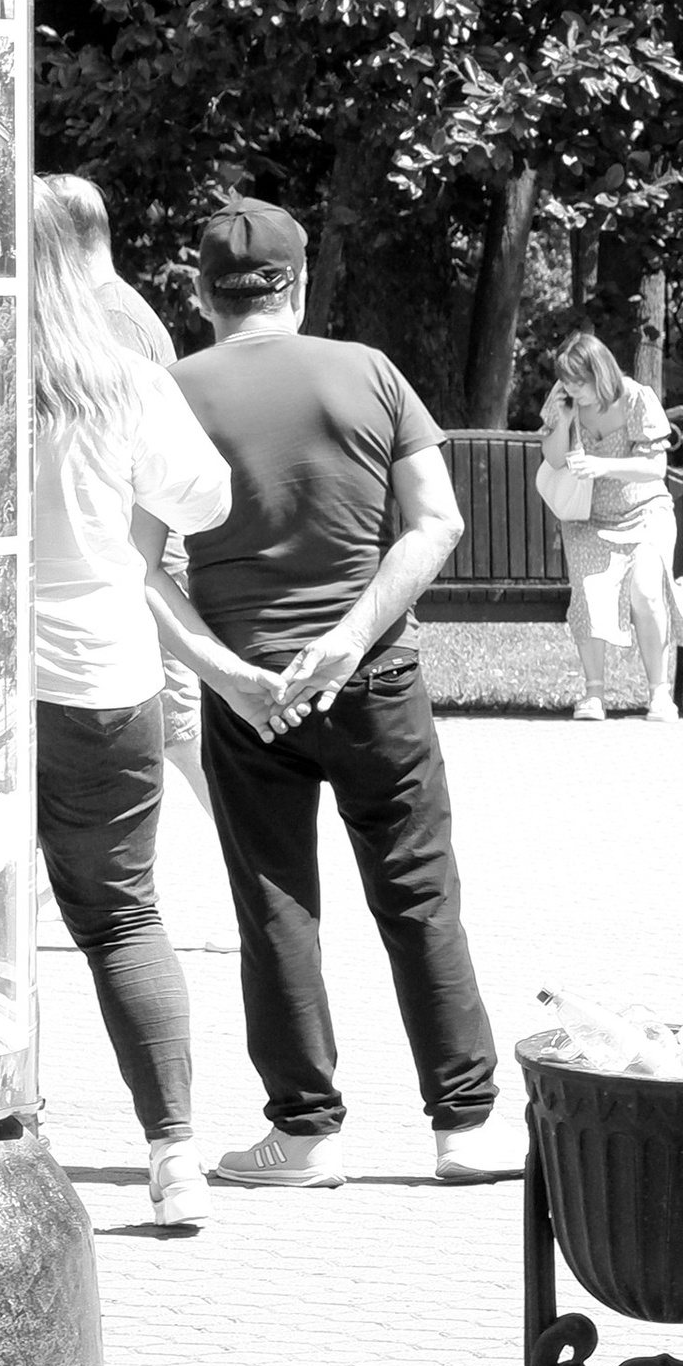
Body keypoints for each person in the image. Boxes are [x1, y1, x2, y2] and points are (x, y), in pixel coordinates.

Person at [174, 197, 509, 1190]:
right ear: (300, 282)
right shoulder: (369, 373)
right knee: (418, 895)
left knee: (275, 905)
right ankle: (466, 1128)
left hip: (247, 697)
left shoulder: (167, 392)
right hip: (373, 684)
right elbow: (435, 523)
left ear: (201, 294)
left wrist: (227, 672)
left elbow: (135, 560)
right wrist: (348, 640)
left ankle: (304, 1132)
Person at [31, 176, 282, 1232]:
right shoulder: (125, 375)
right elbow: (206, 498)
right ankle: (172, 1153)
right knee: (123, 914)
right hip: (100, 671)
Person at [39, 170, 213, 815]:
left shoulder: (102, 319)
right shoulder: (115, 309)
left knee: (182, 726)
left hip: (136, 561)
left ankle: (264, 875)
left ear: (64, 234)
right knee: (176, 728)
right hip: (138, 555)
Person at [539, 328, 683, 721]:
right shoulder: (563, 401)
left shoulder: (637, 397)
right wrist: (564, 420)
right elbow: (554, 460)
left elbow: (655, 469)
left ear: (600, 372)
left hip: (645, 512)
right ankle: (594, 694)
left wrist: (604, 465)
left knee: (645, 590)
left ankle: (659, 693)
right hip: (588, 518)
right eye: (567, 380)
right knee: (589, 591)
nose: (573, 389)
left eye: (580, 381)